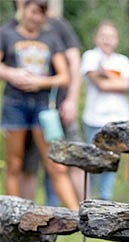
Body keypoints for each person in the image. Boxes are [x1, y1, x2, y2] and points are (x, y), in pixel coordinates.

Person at [4, 0, 84, 205]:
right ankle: (12, 215)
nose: (37, 18)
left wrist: (40, 82)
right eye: (34, 12)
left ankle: (76, 215)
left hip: (43, 108)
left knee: (55, 164)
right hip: (15, 105)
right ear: (23, 10)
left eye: (41, 14)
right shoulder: (7, 33)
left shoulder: (50, 37)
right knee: (15, 163)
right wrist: (13, 74)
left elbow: (64, 75)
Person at [79, 21, 129, 201]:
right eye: (103, 36)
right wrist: (114, 80)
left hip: (118, 119)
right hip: (94, 118)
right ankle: (90, 199)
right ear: (96, 38)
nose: (107, 40)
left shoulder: (122, 60)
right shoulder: (90, 56)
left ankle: (105, 199)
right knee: (93, 160)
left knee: (112, 160)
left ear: (116, 40)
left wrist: (105, 75)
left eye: (110, 37)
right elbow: (99, 84)